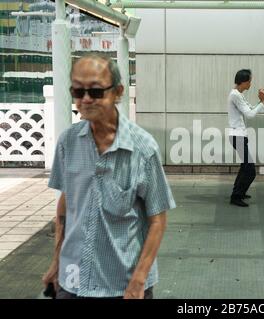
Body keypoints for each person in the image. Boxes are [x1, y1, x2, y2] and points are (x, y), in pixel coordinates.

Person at [42, 54, 176, 299]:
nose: (84, 100)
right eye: (77, 91)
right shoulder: (67, 142)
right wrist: (57, 260)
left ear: (118, 92)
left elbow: (158, 220)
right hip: (72, 280)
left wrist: (139, 279)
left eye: (95, 92)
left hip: (123, 286)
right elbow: (66, 203)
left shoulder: (143, 149)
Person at [227, 69, 264, 207]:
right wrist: (263, 102)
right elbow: (250, 115)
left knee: (245, 167)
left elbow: (249, 109)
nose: (251, 83)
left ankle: (239, 193)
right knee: (250, 170)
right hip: (237, 136)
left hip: (239, 136)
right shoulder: (235, 95)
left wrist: (260, 101)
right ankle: (236, 196)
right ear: (243, 82)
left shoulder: (238, 94)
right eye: (249, 81)